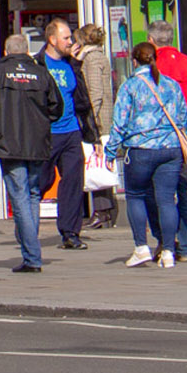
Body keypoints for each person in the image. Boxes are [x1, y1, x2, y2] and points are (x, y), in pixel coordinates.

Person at [0, 32, 62, 273]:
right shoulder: (40, 73)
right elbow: (56, 107)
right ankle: (30, 246)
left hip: (10, 144)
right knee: (33, 194)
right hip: (36, 143)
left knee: (20, 197)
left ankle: (31, 255)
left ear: (5, 51)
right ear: (26, 51)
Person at [106, 41, 187, 268]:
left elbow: (119, 123)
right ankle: (169, 252)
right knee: (166, 200)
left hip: (141, 149)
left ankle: (141, 247)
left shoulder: (130, 86)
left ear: (134, 61)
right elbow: (184, 119)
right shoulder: (171, 85)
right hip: (170, 150)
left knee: (135, 195)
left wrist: (111, 151)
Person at [148, 19, 187, 262]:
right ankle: (184, 245)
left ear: (151, 41)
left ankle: (165, 242)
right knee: (186, 194)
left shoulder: (151, 67)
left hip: (159, 141)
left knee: (159, 194)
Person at [36, 18, 97, 251]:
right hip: (47, 133)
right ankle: (27, 224)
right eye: (66, 38)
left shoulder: (72, 65)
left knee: (73, 182)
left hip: (71, 131)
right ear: (52, 40)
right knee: (41, 181)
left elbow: (83, 101)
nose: (71, 42)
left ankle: (71, 233)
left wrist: (93, 135)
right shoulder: (38, 65)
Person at [75, 25, 119, 230]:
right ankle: (106, 210)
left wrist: (90, 120)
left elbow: (95, 93)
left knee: (96, 165)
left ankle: (102, 211)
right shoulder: (100, 57)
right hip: (102, 119)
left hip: (97, 121)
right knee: (100, 164)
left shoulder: (91, 59)